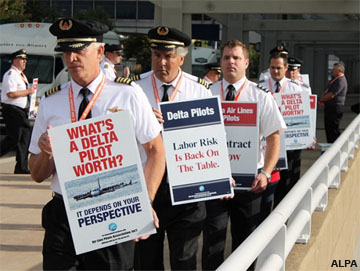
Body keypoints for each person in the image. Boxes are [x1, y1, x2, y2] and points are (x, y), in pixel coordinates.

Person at [28, 18, 165, 271]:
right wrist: (46, 152)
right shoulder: (52, 101)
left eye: (79, 50)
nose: (72, 58)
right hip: (64, 212)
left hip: (113, 208)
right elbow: (36, 173)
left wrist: (145, 200)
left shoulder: (127, 94)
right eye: (67, 51)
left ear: (100, 51)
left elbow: (155, 150)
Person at [133, 26, 212, 270]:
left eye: (168, 56)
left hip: (186, 188)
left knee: (184, 261)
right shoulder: (133, 89)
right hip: (147, 186)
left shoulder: (199, 90)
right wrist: (145, 123)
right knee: (146, 261)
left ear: (181, 57)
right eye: (157, 55)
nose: (162, 62)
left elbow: (210, 139)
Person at [203, 40, 286, 270]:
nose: (231, 61)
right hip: (216, 182)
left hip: (250, 185)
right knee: (212, 244)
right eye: (226, 57)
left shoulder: (260, 96)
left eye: (236, 58)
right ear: (220, 62)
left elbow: (274, 138)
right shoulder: (205, 93)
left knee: (246, 244)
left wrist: (266, 173)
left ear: (246, 63)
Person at [258, 52, 304, 210]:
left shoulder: (296, 88)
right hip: (267, 145)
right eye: (272, 68)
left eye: (278, 68)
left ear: (286, 68)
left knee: (287, 186)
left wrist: (309, 137)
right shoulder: (260, 87)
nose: (275, 71)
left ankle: (282, 219)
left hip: (290, 146)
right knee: (267, 187)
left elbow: (305, 116)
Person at [1, 49, 35, 173]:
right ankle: (21, 166)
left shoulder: (21, 75)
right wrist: (28, 92)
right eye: (22, 59)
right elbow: (11, 93)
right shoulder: (11, 74)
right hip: (12, 110)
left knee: (22, 137)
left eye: (25, 60)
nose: (24, 62)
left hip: (20, 110)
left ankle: (21, 166)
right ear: (15, 60)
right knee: (15, 138)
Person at [319, 61, 348, 143]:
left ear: (340, 71)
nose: (332, 71)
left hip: (335, 108)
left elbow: (332, 94)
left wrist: (321, 99)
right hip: (330, 107)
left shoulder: (340, 81)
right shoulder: (335, 80)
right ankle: (331, 143)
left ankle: (335, 144)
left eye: (334, 70)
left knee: (333, 128)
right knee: (329, 128)